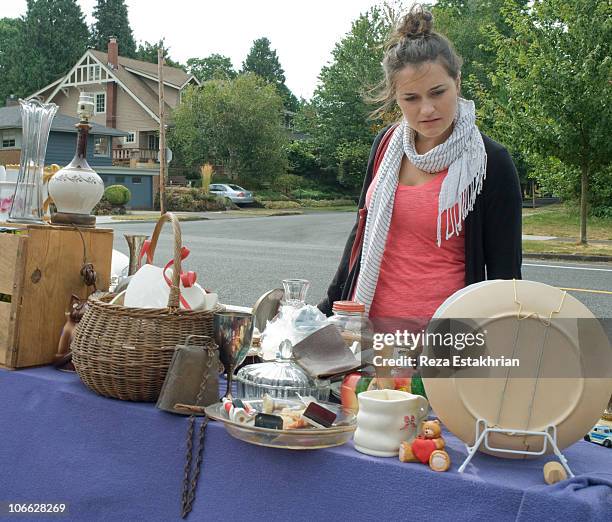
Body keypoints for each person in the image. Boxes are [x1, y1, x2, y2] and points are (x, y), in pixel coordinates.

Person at [318, 5, 522, 329]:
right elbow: (361, 234)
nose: (427, 109)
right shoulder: (386, 146)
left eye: (437, 92)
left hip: (444, 349)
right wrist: (326, 310)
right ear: (395, 98)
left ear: (457, 81)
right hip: (367, 338)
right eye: (411, 98)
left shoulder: (490, 163)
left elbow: (505, 278)